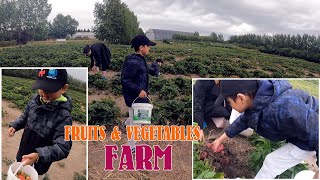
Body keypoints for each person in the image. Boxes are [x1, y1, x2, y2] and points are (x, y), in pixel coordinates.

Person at [212, 80, 319, 179]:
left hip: (312, 134)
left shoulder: (284, 108)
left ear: (241, 98)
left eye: (229, 103)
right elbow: (244, 121)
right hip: (303, 131)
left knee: (272, 162)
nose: (230, 107)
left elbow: (316, 132)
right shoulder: (257, 100)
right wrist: (220, 140)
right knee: (272, 162)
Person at [8, 69, 73, 180]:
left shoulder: (64, 117)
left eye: (50, 89)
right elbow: (25, 117)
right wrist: (15, 125)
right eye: (42, 88)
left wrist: (39, 155)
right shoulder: (35, 101)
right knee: (17, 173)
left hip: (40, 165)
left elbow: (63, 147)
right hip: (23, 153)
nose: (44, 93)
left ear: (63, 88)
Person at [121, 34, 156, 152]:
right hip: (134, 97)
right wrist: (139, 90)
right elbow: (125, 80)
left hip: (139, 97)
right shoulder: (133, 62)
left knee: (136, 120)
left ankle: (127, 122)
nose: (149, 48)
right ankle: (131, 147)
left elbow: (142, 75)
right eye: (148, 46)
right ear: (141, 47)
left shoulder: (140, 60)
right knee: (137, 124)